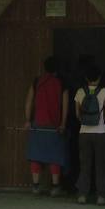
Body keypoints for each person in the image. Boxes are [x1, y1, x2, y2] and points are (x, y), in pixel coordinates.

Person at [24, 56, 68, 195]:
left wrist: (27, 120)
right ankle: (55, 187)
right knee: (55, 155)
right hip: (54, 125)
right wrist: (63, 124)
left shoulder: (37, 81)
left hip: (38, 124)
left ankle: (35, 186)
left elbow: (29, 101)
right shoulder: (62, 82)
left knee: (36, 154)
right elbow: (65, 105)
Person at [74, 63, 105, 204]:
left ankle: (82, 195)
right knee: (100, 164)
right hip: (101, 132)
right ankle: (101, 196)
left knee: (85, 164)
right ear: (99, 77)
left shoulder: (80, 92)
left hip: (84, 133)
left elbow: (77, 114)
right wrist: (104, 122)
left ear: (86, 77)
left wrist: (85, 122)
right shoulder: (104, 92)